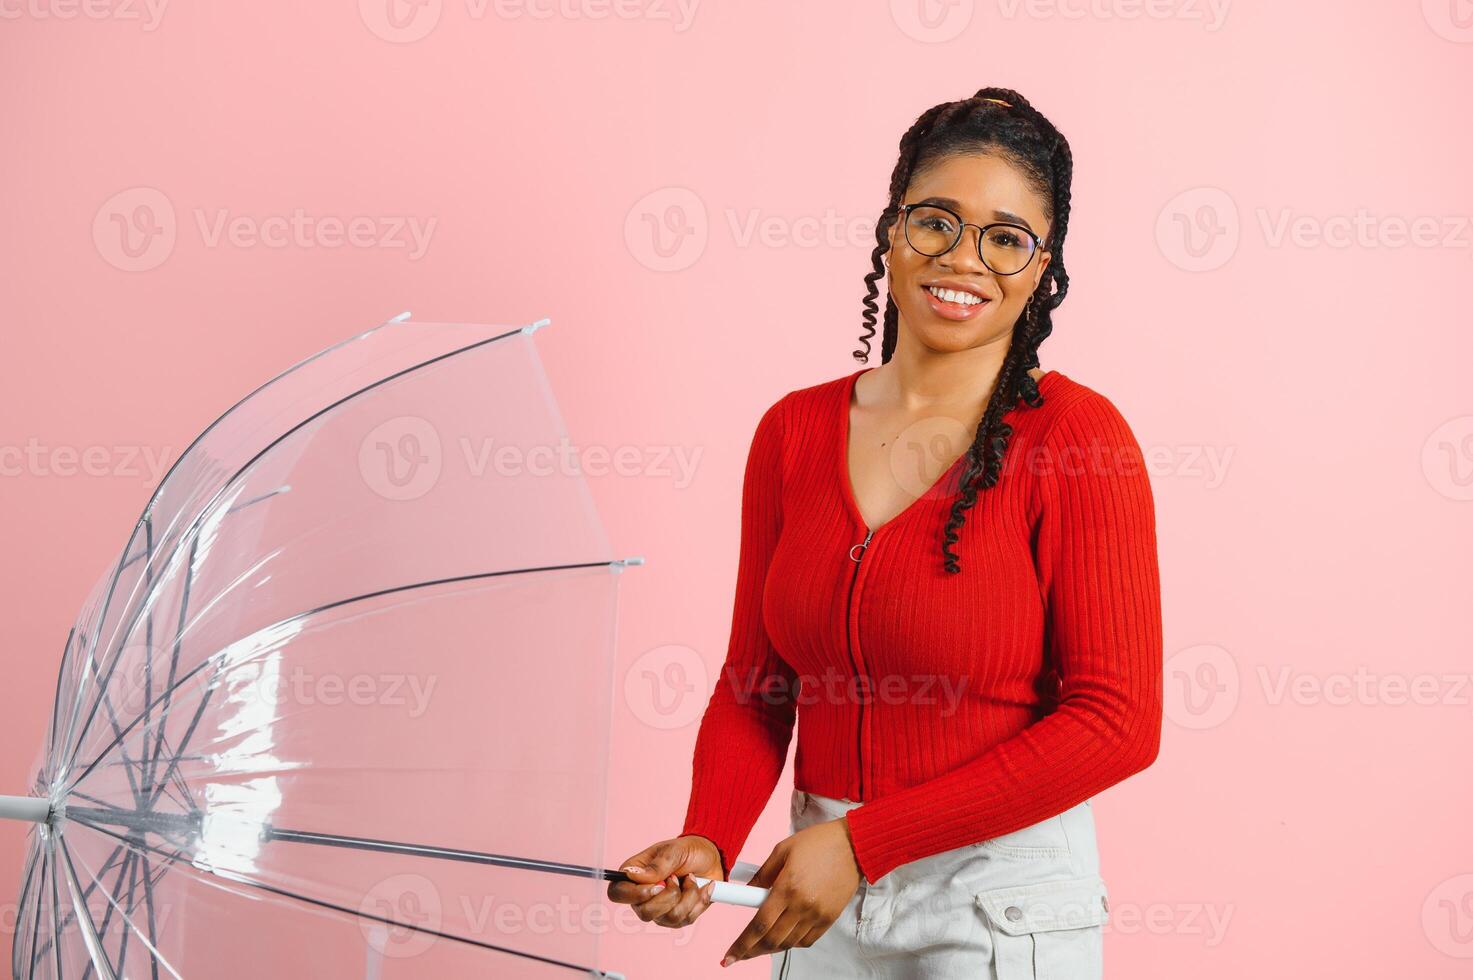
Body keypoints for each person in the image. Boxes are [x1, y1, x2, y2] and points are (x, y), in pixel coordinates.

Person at [608, 86, 1162, 978]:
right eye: (935, 221)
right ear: (891, 230)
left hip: (997, 898)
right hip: (817, 892)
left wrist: (869, 842)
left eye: (1004, 237)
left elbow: (1117, 721)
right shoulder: (792, 431)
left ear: (1041, 265)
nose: (964, 259)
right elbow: (757, 684)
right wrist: (706, 839)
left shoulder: (1074, 438)